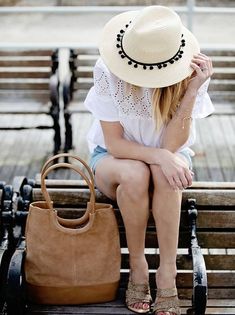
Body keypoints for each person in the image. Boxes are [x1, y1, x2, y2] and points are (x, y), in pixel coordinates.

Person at [84, 5, 214, 315]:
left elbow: (171, 146)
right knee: (136, 173)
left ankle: (167, 271)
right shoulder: (108, 69)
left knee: (166, 173)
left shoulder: (189, 72)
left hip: (166, 159)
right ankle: (138, 265)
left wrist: (192, 91)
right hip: (114, 159)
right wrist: (159, 157)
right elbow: (115, 144)